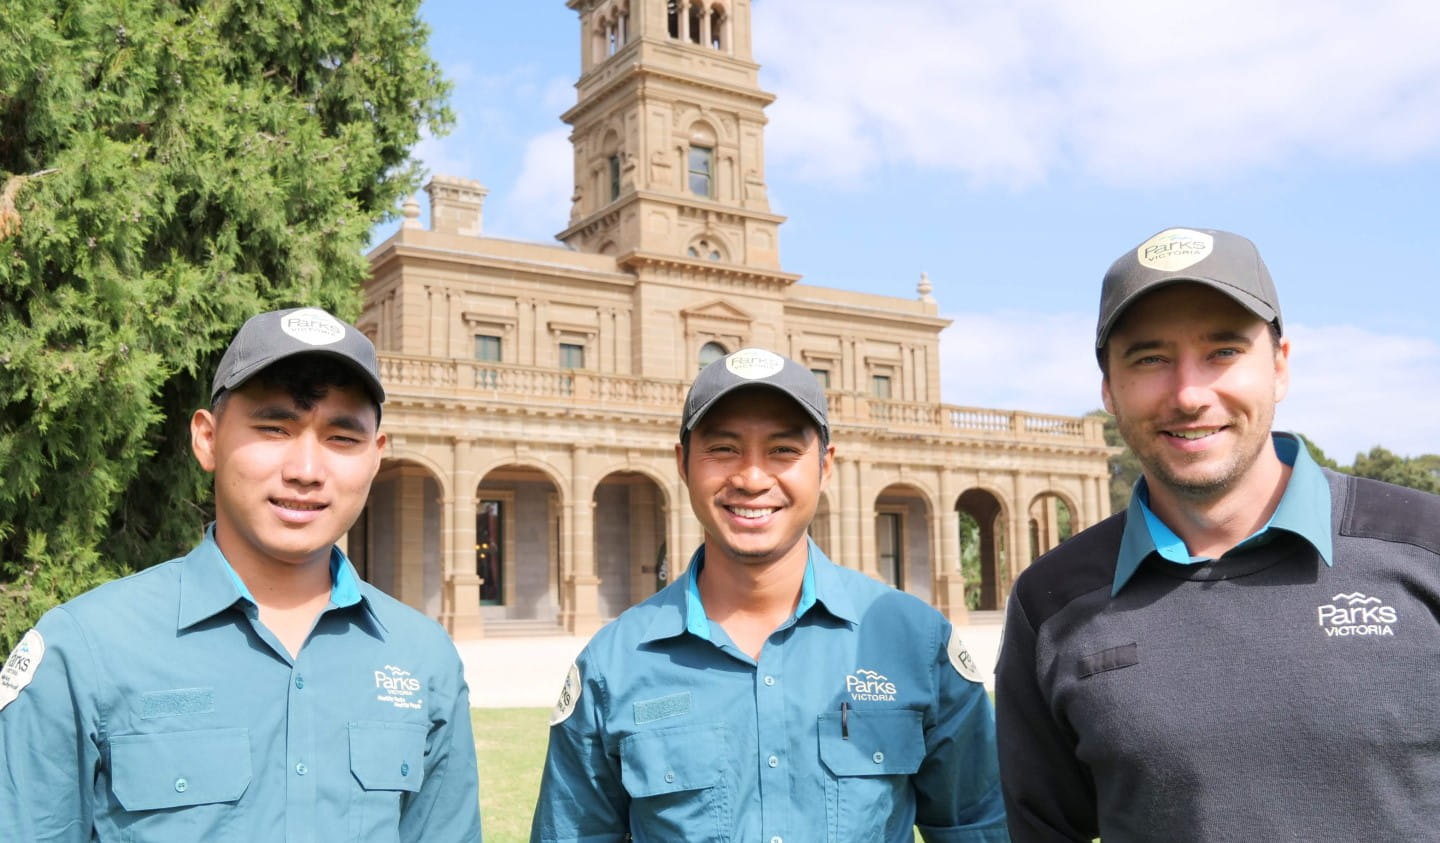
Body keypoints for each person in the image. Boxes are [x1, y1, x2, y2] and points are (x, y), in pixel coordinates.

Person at [994, 227, 1440, 841]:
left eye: (1223, 352)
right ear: (1108, 390)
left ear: (1280, 367)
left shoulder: (1425, 548)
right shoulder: (1051, 602)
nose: (1189, 394)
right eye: (1150, 358)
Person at [0, 307, 482, 841]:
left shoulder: (422, 657)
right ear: (207, 439)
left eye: (342, 439)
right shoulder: (86, 649)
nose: (305, 470)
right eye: (274, 429)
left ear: (375, 457)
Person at [531, 347, 1006, 842]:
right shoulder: (614, 665)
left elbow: (980, 826)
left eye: (783, 450)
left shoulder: (916, 642)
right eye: (723, 449)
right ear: (683, 464)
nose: (752, 478)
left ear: (824, 467)